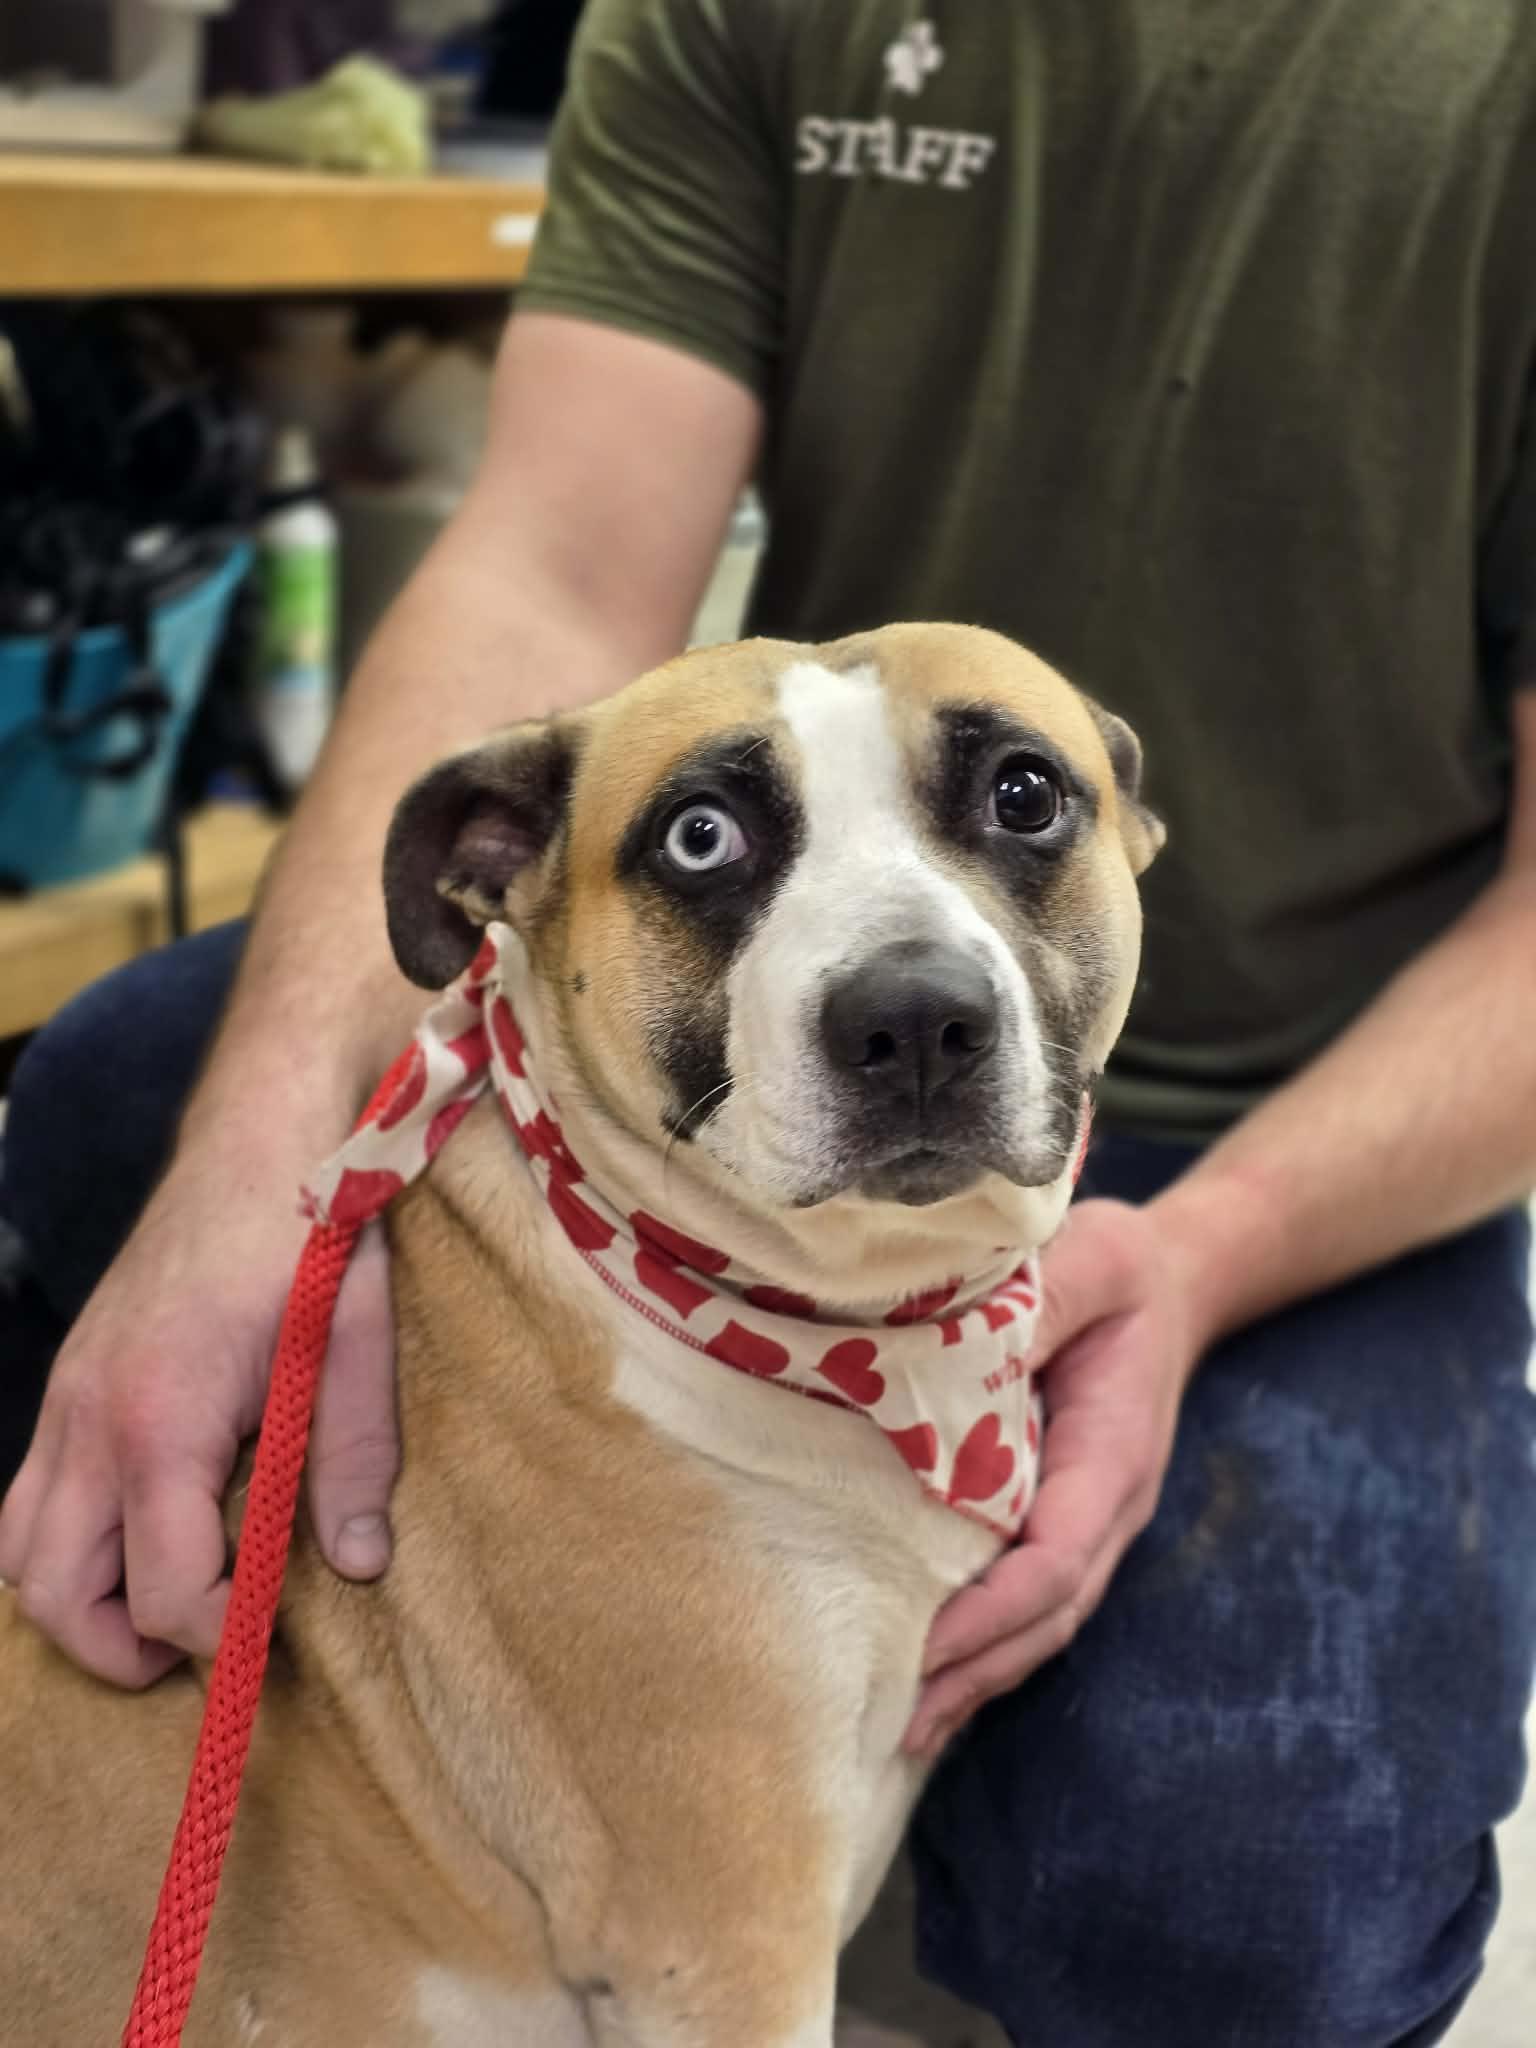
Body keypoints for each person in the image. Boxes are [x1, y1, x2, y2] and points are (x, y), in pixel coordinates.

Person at [4, 4, 1536, 2041]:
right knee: (119, 1087)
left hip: (1339, 1087)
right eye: (714, 838)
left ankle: (771, 1753)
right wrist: (252, 1170)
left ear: (1128, 823)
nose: (904, 984)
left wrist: (1195, 1262)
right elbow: (554, 556)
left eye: (1018, 808)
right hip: (704, 1117)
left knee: (1247, 1903)